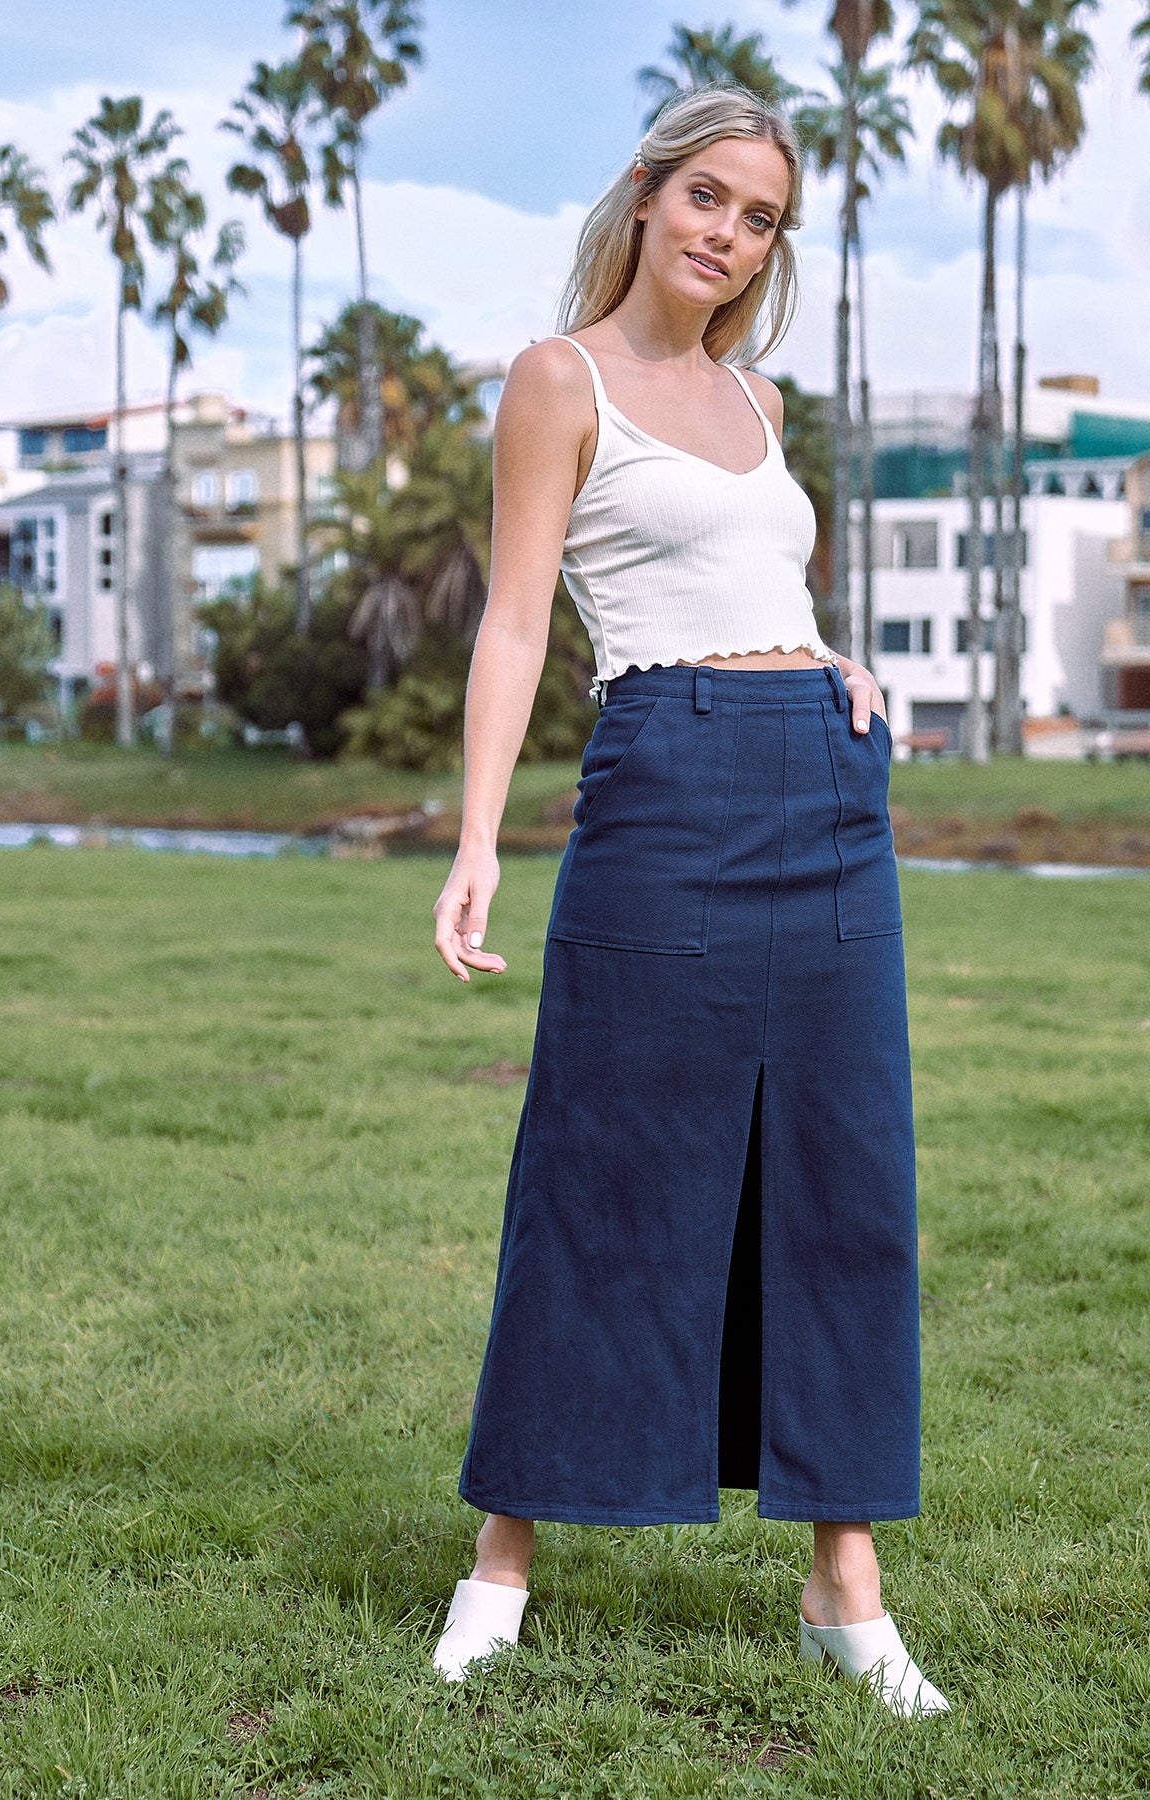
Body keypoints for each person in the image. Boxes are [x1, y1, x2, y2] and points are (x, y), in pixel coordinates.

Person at [430, 82, 949, 1719]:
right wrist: (478, 838)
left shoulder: (760, 398)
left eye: (762, 216)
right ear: (650, 193)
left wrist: (838, 664)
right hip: (667, 779)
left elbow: (757, 581)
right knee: (603, 1160)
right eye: (710, 196)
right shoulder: (558, 378)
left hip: (827, 792)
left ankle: (845, 1586)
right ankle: (502, 1562)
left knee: (845, 1180)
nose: (730, 233)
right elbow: (520, 621)